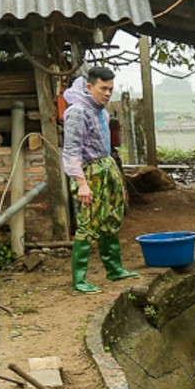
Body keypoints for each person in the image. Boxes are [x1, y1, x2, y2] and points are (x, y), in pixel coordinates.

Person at [61, 64, 136, 293]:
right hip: (90, 173)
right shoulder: (77, 112)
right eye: (103, 88)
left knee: (110, 218)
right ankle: (79, 280)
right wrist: (82, 183)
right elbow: (71, 152)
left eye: (110, 89)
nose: (106, 93)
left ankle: (114, 269)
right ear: (90, 86)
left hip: (106, 168)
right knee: (88, 223)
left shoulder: (100, 111)